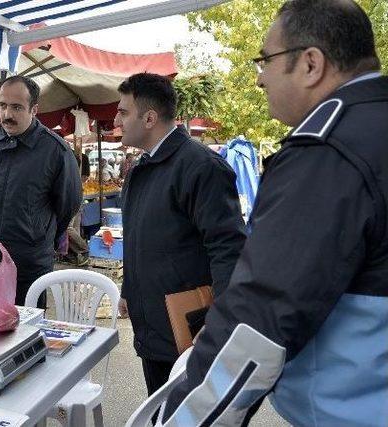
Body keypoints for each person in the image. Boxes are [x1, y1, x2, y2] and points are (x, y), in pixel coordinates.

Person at [164, 2, 388, 426]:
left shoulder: (328, 154)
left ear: (310, 64)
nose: (260, 76)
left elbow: (259, 319)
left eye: (265, 59)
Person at [114, 72, 246, 410]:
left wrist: (221, 319)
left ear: (149, 118)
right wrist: (129, 288)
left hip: (190, 331)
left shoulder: (201, 166)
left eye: (123, 112)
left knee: (188, 415)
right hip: (152, 326)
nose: (116, 120)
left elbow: (228, 248)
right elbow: (141, 238)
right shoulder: (141, 168)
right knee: (160, 411)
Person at [0, 75, 82, 307]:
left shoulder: (55, 150)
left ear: (34, 109)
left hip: (27, 265)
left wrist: (37, 233)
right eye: (3, 105)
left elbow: (68, 205)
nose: (8, 114)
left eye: (17, 107)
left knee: (24, 336)